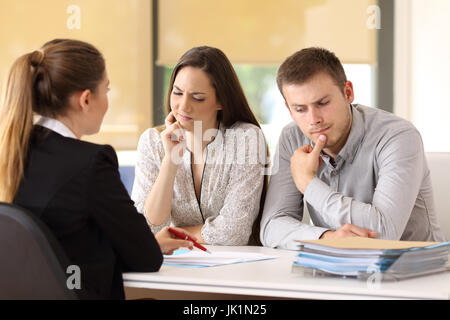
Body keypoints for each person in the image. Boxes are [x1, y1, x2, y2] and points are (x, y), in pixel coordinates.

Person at [0, 39, 195, 299]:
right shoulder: (90, 163)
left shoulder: (11, 151)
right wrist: (148, 246)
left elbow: (58, 248)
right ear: (86, 99)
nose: (108, 101)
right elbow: (147, 258)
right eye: (107, 89)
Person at [260, 47, 445, 250]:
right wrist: (326, 238)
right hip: (337, 272)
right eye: (300, 109)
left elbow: (382, 234)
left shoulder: (398, 136)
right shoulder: (292, 137)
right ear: (288, 109)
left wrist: (308, 184)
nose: (313, 120)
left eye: (322, 103)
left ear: (348, 93)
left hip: (414, 272)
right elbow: (271, 226)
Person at [131, 46, 267, 246]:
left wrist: (173, 235)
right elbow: (146, 227)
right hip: (173, 266)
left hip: (236, 268)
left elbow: (234, 233)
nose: (183, 106)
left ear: (221, 101)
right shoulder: (152, 142)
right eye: (177, 93)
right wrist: (170, 161)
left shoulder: (246, 139)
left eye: (197, 97)